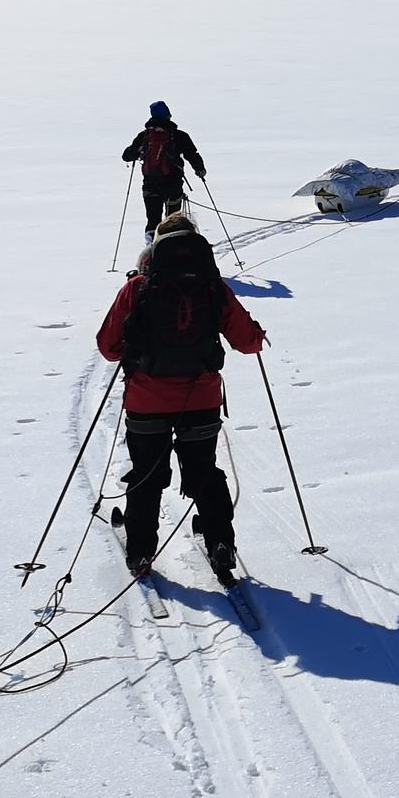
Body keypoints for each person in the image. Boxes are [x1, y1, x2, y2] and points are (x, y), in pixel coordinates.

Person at [96, 214, 266, 582]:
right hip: (201, 399)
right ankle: (220, 543)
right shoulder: (213, 288)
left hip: (146, 401)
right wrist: (257, 333)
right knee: (203, 471)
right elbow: (247, 342)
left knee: (147, 474)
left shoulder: (137, 288)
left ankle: (141, 551)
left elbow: (107, 348)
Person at [121, 102, 207, 241]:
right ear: (168, 115)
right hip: (173, 185)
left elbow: (127, 156)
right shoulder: (179, 136)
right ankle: (175, 246)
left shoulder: (144, 136)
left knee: (153, 220)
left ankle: (152, 246)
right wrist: (200, 170)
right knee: (173, 221)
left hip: (150, 185)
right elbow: (192, 154)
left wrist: (139, 150)